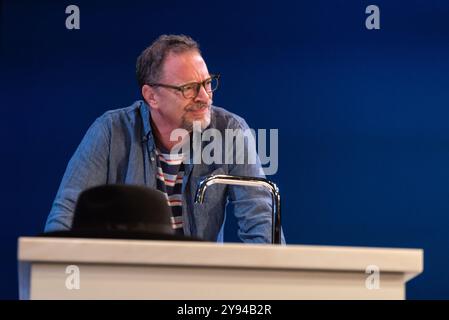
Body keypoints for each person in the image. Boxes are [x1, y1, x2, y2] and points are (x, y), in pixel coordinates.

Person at [45, 34, 284, 243]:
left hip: (199, 285)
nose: (204, 96)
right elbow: (67, 216)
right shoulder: (110, 131)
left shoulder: (230, 131)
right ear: (152, 96)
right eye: (189, 88)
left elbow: (260, 223)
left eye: (208, 83)